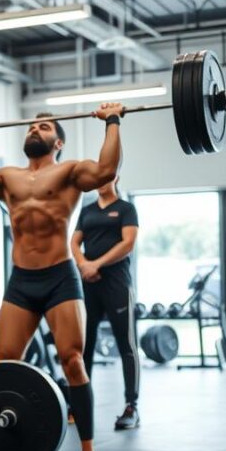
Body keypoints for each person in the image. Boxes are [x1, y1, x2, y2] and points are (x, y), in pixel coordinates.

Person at [0, 103, 123, 451]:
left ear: (57, 141)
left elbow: (106, 171)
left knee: (73, 361)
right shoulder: (7, 177)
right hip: (21, 281)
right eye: (32, 125)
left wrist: (112, 121)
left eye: (43, 126)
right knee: (4, 365)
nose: (35, 128)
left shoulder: (70, 171)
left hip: (60, 277)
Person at [71, 176, 140, 430]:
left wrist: (95, 264)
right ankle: (79, 405)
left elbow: (128, 243)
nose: (100, 181)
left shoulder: (126, 209)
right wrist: (82, 265)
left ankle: (132, 407)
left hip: (117, 284)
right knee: (83, 346)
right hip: (89, 284)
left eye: (106, 177)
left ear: (116, 178)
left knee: (127, 345)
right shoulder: (87, 210)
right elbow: (74, 242)